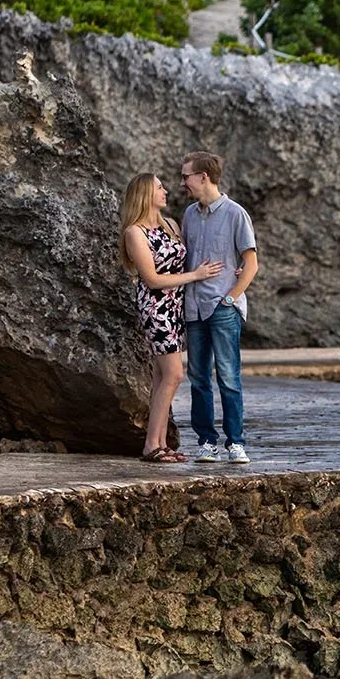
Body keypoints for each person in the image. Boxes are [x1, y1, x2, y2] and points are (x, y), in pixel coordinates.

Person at [120, 172, 223, 463]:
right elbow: (151, 279)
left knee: (161, 377)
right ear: (144, 195)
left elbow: (190, 257)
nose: (166, 191)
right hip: (156, 309)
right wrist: (196, 276)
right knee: (175, 375)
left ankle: (161, 443)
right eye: (159, 187)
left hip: (177, 308)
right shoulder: (135, 232)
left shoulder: (171, 225)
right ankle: (150, 445)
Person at [179, 150, 257, 464]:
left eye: (186, 176)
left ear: (204, 177)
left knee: (228, 376)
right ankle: (206, 442)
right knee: (198, 378)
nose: (183, 182)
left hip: (223, 307)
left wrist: (230, 298)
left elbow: (251, 264)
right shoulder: (188, 215)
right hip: (194, 307)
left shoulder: (236, 213)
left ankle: (235, 443)